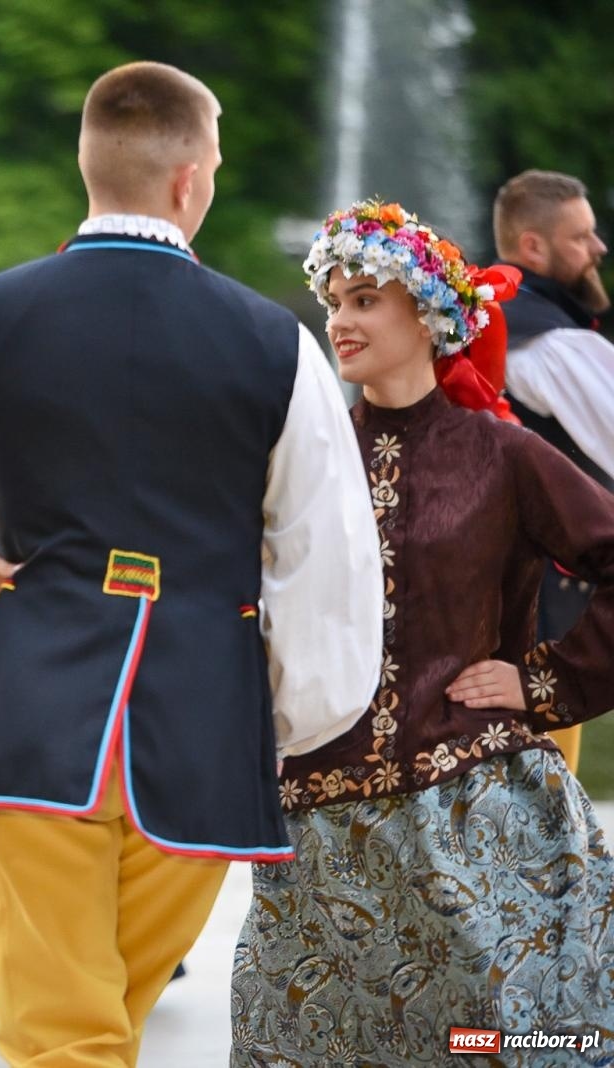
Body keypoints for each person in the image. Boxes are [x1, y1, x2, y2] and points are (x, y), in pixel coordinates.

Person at [0, 62, 382, 1068]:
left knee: (65, 1036)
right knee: (104, 1029)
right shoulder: (280, 348)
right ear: (188, 180)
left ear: (88, 165)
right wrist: (290, 713)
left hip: (34, 715)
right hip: (201, 729)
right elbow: (326, 557)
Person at [230, 200, 614, 1065]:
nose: (340, 317)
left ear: (429, 313)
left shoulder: (500, 453)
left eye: (365, 297)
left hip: (480, 814)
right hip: (320, 828)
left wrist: (543, 680)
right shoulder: (303, 460)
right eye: (333, 298)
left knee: (501, 1039)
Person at [493, 169, 614, 775]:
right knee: (540, 802)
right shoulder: (542, 340)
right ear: (532, 247)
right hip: (538, 609)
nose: (598, 249)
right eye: (581, 237)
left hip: (489, 601)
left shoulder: (493, 320)